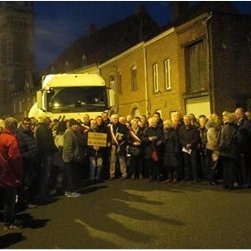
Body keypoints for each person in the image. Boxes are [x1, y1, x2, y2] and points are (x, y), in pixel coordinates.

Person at [0, 117, 23, 230]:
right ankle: (9, 222)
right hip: (10, 174)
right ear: (13, 126)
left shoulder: (1, 137)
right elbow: (15, 159)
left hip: (2, 173)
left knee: (5, 200)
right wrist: (19, 173)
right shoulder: (11, 140)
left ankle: (7, 220)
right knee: (10, 200)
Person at [16, 117, 39, 208]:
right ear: (22, 124)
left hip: (32, 161)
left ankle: (28, 200)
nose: (27, 125)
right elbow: (21, 150)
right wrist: (29, 155)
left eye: (29, 124)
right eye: (25, 124)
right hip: (26, 162)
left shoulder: (30, 133)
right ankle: (25, 202)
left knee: (30, 182)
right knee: (26, 183)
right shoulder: (20, 135)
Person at [35, 116, 58, 202]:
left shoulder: (41, 128)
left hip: (45, 154)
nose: (50, 121)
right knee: (46, 174)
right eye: (49, 120)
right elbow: (46, 142)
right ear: (45, 120)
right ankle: (43, 193)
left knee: (45, 174)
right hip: (46, 154)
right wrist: (54, 150)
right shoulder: (43, 129)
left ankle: (44, 192)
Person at [62, 118, 82, 197]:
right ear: (71, 125)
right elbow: (68, 147)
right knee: (70, 176)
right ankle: (69, 191)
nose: (76, 126)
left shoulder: (73, 132)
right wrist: (71, 157)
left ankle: (70, 190)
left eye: (77, 125)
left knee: (71, 175)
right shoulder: (69, 133)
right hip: (69, 159)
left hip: (71, 158)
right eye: (75, 125)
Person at [218, 113, 238, 189]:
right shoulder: (235, 128)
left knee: (225, 168)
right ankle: (230, 184)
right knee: (231, 168)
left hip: (223, 150)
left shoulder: (224, 128)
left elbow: (221, 139)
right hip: (231, 150)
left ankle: (225, 184)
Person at [179, 115, 200, 183]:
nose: (186, 121)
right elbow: (180, 138)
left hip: (193, 148)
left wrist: (191, 144)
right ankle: (187, 177)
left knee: (193, 163)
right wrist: (185, 144)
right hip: (185, 148)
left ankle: (195, 178)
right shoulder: (181, 128)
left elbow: (197, 138)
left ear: (190, 120)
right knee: (186, 163)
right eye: (185, 120)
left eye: (187, 120)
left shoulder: (194, 128)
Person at [107, 114, 128, 180]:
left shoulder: (123, 126)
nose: (115, 119)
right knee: (112, 161)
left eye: (116, 118)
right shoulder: (109, 127)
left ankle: (124, 174)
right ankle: (112, 174)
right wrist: (108, 142)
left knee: (121, 160)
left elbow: (127, 136)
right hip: (113, 145)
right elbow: (107, 136)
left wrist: (122, 137)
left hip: (120, 145)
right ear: (111, 119)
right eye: (114, 118)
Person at [142, 117, 163, 181]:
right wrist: (149, 139)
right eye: (152, 122)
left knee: (157, 163)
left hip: (157, 149)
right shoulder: (146, 130)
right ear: (150, 123)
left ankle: (158, 176)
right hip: (149, 149)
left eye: (155, 122)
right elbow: (143, 139)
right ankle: (151, 176)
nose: (154, 124)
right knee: (150, 163)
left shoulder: (159, 130)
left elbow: (162, 138)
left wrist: (157, 140)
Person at [235, 107, 251, 188]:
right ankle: (244, 181)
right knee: (243, 166)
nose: (235, 115)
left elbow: (247, 136)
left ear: (241, 114)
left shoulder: (247, 124)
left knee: (247, 166)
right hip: (241, 149)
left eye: (236, 114)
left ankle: (248, 183)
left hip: (246, 149)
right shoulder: (239, 123)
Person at [162, 119, 179, 184]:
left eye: (166, 124)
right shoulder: (164, 132)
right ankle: (169, 177)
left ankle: (175, 178)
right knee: (167, 164)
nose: (164, 125)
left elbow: (176, 141)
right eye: (164, 124)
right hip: (166, 151)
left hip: (172, 150)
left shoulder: (173, 132)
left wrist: (176, 150)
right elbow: (163, 141)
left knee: (174, 165)